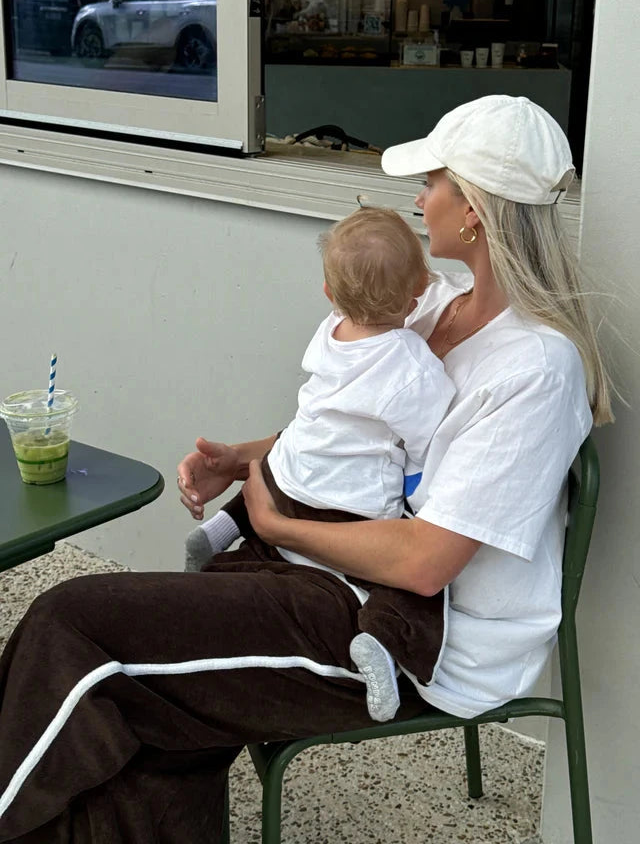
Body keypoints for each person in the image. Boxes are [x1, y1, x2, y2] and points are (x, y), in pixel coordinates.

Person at [0, 95, 613, 844]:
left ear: (476, 208)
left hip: (406, 637)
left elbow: (426, 565)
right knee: (149, 703)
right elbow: (350, 432)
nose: (418, 200)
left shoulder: (536, 367)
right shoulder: (433, 306)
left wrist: (272, 520)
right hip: (314, 568)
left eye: (433, 183)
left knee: (74, 628)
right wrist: (247, 458)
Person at [184, 206, 456, 721]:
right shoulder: (411, 362)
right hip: (349, 507)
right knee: (413, 582)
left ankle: (220, 535)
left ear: (329, 295)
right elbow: (429, 438)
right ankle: (382, 643)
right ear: (417, 296)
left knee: (274, 469)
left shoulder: (328, 332)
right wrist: (416, 487)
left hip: (290, 475)